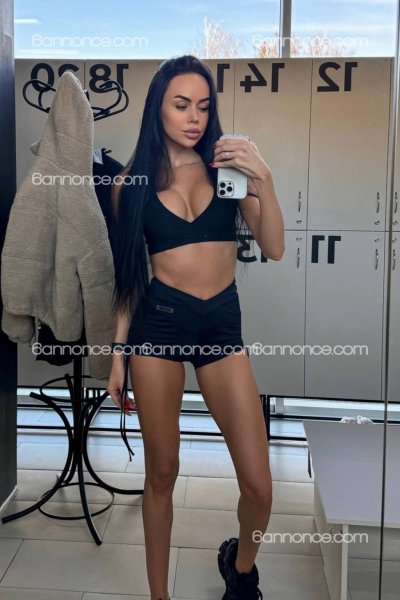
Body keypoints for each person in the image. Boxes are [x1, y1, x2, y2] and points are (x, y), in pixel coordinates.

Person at [107, 54, 285, 600]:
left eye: (204, 107)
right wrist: (117, 357)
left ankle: (241, 568)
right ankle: (159, 595)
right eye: (181, 105)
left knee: (258, 483)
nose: (195, 118)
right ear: (157, 109)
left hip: (221, 329)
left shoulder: (227, 170)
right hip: (157, 329)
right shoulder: (131, 184)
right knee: (162, 472)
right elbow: (129, 279)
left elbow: (275, 247)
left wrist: (263, 175)